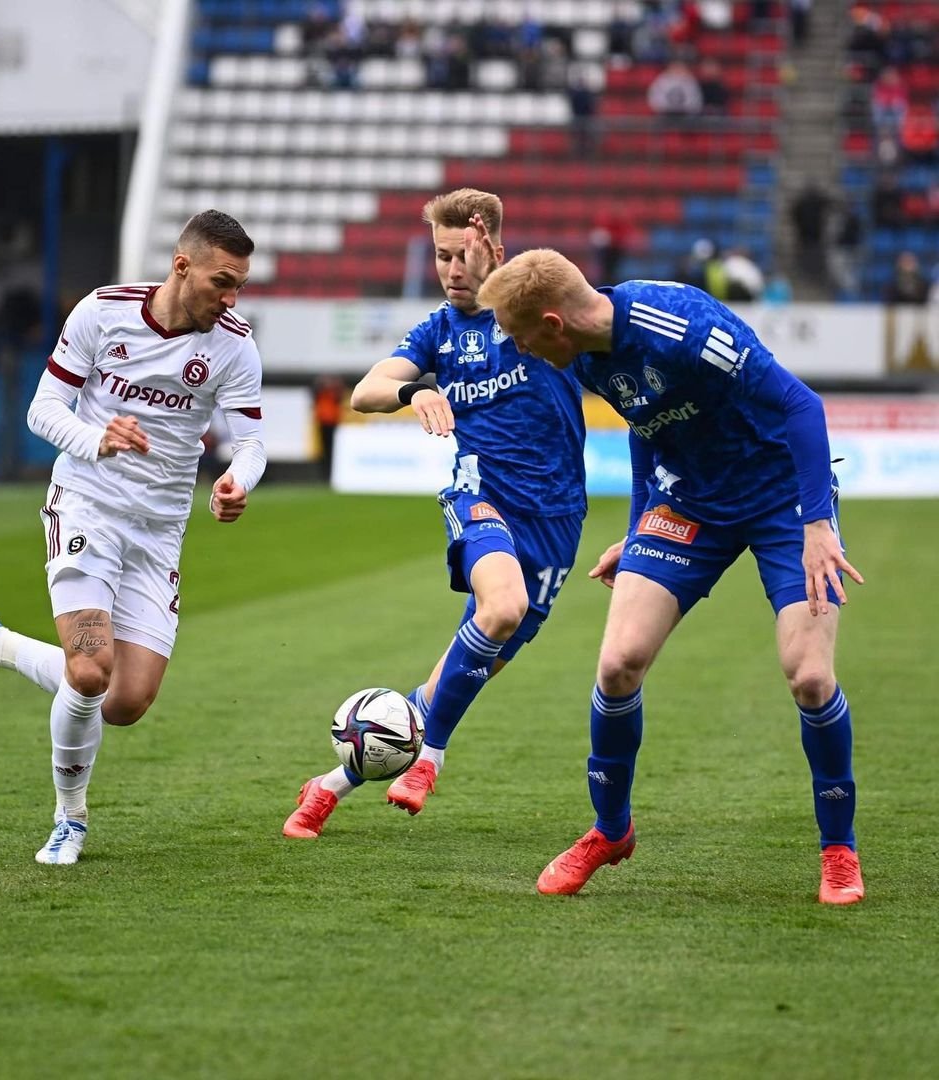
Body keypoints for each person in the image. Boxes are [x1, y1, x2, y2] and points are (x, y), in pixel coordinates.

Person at [478, 248, 866, 905]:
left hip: (781, 502)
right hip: (688, 502)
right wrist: (636, 531)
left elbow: (801, 408)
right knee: (618, 663)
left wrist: (817, 523)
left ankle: (839, 850)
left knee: (808, 675)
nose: (520, 350)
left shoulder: (681, 330)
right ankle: (610, 830)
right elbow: (646, 429)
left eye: (520, 337)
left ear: (552, 323)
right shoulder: (591, 357)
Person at [0, 210, 268, 865]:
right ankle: (69, 819)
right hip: (86, 505)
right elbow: (42, 409)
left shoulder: (232, 343)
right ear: (181, 266)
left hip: (160, 529)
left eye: (239, 287)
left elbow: (251, 441)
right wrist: (97, 440)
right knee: (89, 670)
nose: (230, 299)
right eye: (222, 282)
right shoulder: (102, 314)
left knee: (125, 701)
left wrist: (236, 480)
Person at [283, 190, 588, 838]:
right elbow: (367, 389)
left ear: (494, 251)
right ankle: (431, 760)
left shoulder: (535, 312)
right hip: (480, 498)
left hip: (557, 521)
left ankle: (329, 785)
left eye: (462, 254)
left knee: (454, 676)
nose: (449, 268)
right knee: (499, 610)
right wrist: (414, 388)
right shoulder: (438, 333)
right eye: (441, 255)